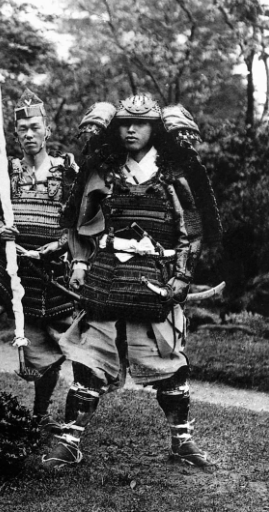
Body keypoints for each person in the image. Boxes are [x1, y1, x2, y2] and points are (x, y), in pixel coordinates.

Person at [42, 95, 222, 470]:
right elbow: (77, 221)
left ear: (156, 129)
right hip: (107, 275)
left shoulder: (176, 172)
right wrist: (79, 262)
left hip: (157, 278)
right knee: (89, 360)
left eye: (141, 124)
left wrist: (183, 275)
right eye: (124, 123)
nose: (131, 129)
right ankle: (70, 441)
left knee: (169, 363)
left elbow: (193, 230)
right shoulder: (102, 169)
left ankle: (182, 441)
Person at [0, 90, 78, 424]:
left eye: (35, 127)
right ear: (15, 135)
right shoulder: (6, 172)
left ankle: (47, 414)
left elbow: (83, 221)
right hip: (14, 270)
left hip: (55, 272)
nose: (29, 134)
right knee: (32, 346)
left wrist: (61, 244)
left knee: (61, 346)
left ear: (47, 131)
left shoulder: (68, 172)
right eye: (23, 129)